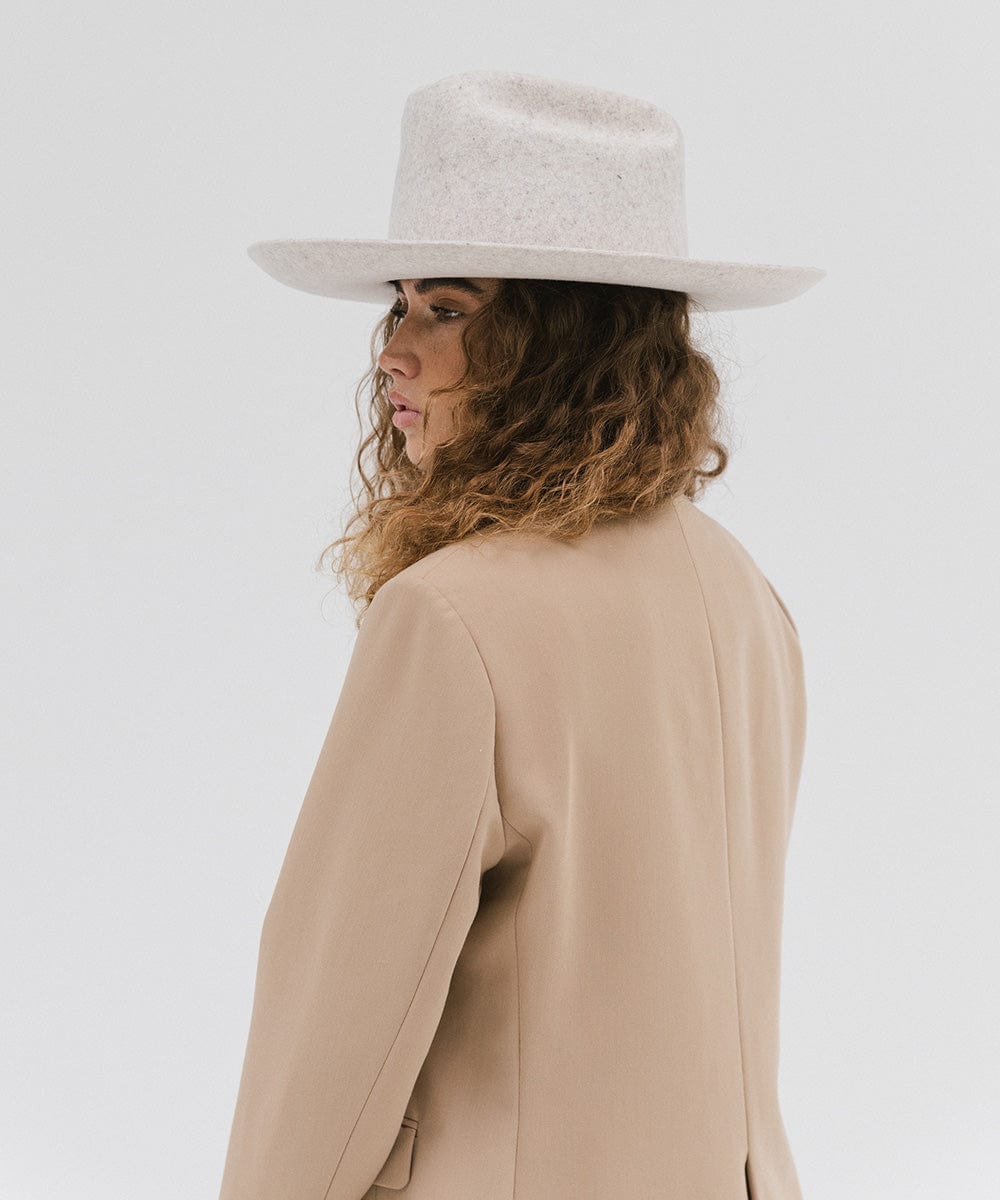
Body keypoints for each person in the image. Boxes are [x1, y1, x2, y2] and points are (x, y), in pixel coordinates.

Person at [218, 69, 826, 1200]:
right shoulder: (745, 596)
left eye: (446, 309)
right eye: (398, 304)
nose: (393, 350)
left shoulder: (452, 618)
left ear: (565, 341)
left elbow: (338, 1025)